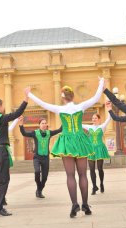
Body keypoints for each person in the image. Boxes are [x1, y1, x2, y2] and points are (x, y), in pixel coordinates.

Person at [27, 77, 104, 218]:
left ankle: (74, 205)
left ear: (63, 98)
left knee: (70, 175)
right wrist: (101, 82)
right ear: (72, 96)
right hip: (80, 141)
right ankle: (85, 205)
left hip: (67, 141)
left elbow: (43, 104)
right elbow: (96, 97)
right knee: (83, 174)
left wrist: (29, 94)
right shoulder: (80, 107)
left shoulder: (59, 109)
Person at [19, 117, 62, 198]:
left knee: (45, 177)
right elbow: (24, 133)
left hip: (45, 158)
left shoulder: (49, 133)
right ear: (39, 125)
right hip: (37, 157)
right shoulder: (35, 133)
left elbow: (59, 130)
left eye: (45, 123)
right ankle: (39, 189)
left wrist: (65, 119)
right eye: (42, 123)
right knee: (37, 172)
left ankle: (39, 190)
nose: (44, 124)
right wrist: (21, 125)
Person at [82, 114, 111, 195]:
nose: (94, 119)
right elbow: (79, 124)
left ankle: (101, 183)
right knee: (91, 169)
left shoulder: (102, 126)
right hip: (91, 149)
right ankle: (94, 187)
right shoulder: (89, 127)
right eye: (93, 118)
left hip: (99, 148)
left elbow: (109, 119)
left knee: (100, 168)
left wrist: (109, 109)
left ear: (99, 119)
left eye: (95, 118)